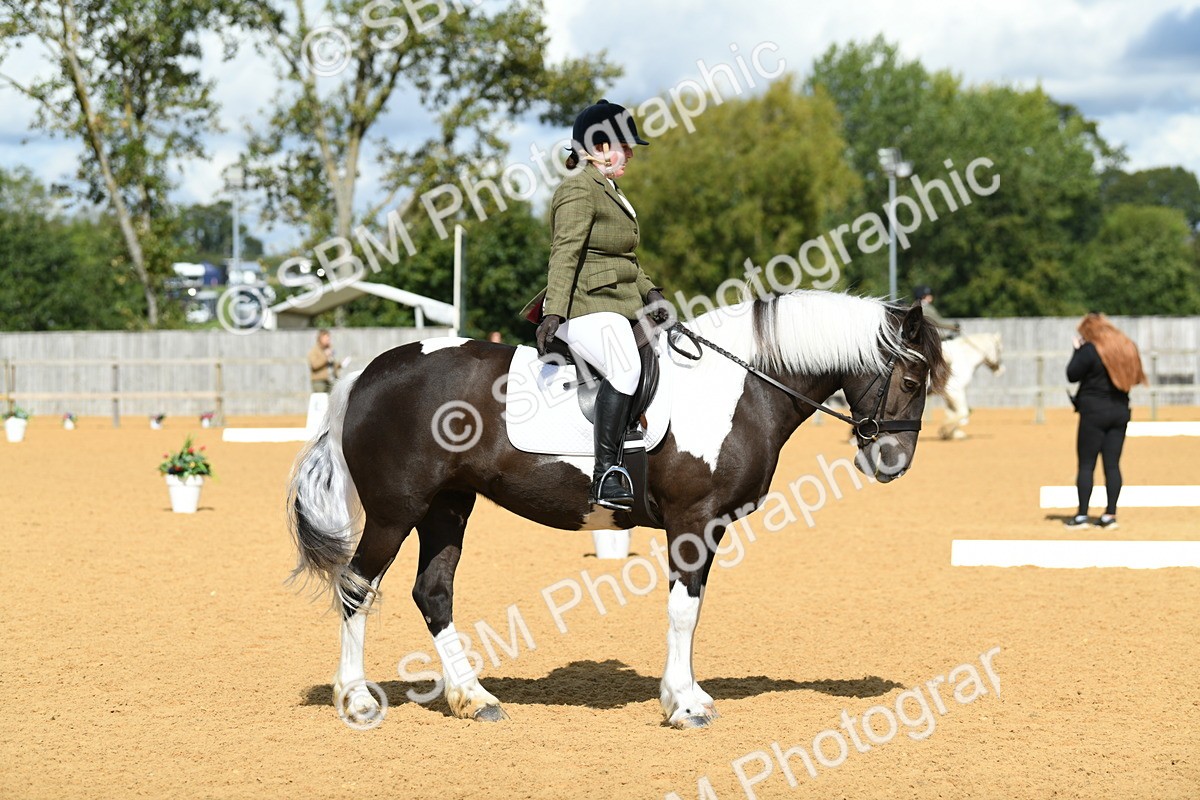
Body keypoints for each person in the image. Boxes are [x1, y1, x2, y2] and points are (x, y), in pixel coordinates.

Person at [520, 99, 667, 511]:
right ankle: (606, 473)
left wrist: (652, 291)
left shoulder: (612, 191)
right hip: (585, 306)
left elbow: (624, 259)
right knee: (625, 366)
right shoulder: (578, 189)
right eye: (626, 145)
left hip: (616, 304)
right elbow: (565, 252)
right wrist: (555, 311)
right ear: (601, 146)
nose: (632, 153)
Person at [1063, 313, 1146, 530]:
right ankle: (1110, 515)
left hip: (1093, 412)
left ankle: (1082, 516)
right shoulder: (1127, 346)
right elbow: (1137, 377)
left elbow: (1072, 374)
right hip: (1120, 411)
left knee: (1086, 464)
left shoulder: (1090, 349)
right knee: (1112, 465)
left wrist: (1077, 350)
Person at [307, 329, 343, 393]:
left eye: (328, 337)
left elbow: (331, 364)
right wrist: (326, 357)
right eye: (326, 337)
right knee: (321, 400)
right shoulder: (314, 351)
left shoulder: (329, 349)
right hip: (319, 381)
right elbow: (314, 365)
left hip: (331, 380)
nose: (328, 339)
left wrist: (339, 365)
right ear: (320, 338)